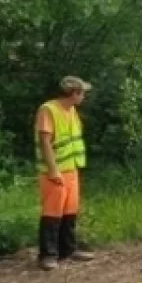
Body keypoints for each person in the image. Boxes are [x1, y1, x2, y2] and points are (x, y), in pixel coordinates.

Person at [35, 76, 96, 270]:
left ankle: (68, 249)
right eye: (82, 93)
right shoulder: (48, 110)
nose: (84, 97)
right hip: (55, 170)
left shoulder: (72, 111)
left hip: (71, 167)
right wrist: (53, 170)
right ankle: (48, 255)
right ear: (74, 93)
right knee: (52, 213)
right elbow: (45, 141)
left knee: (70, 211)